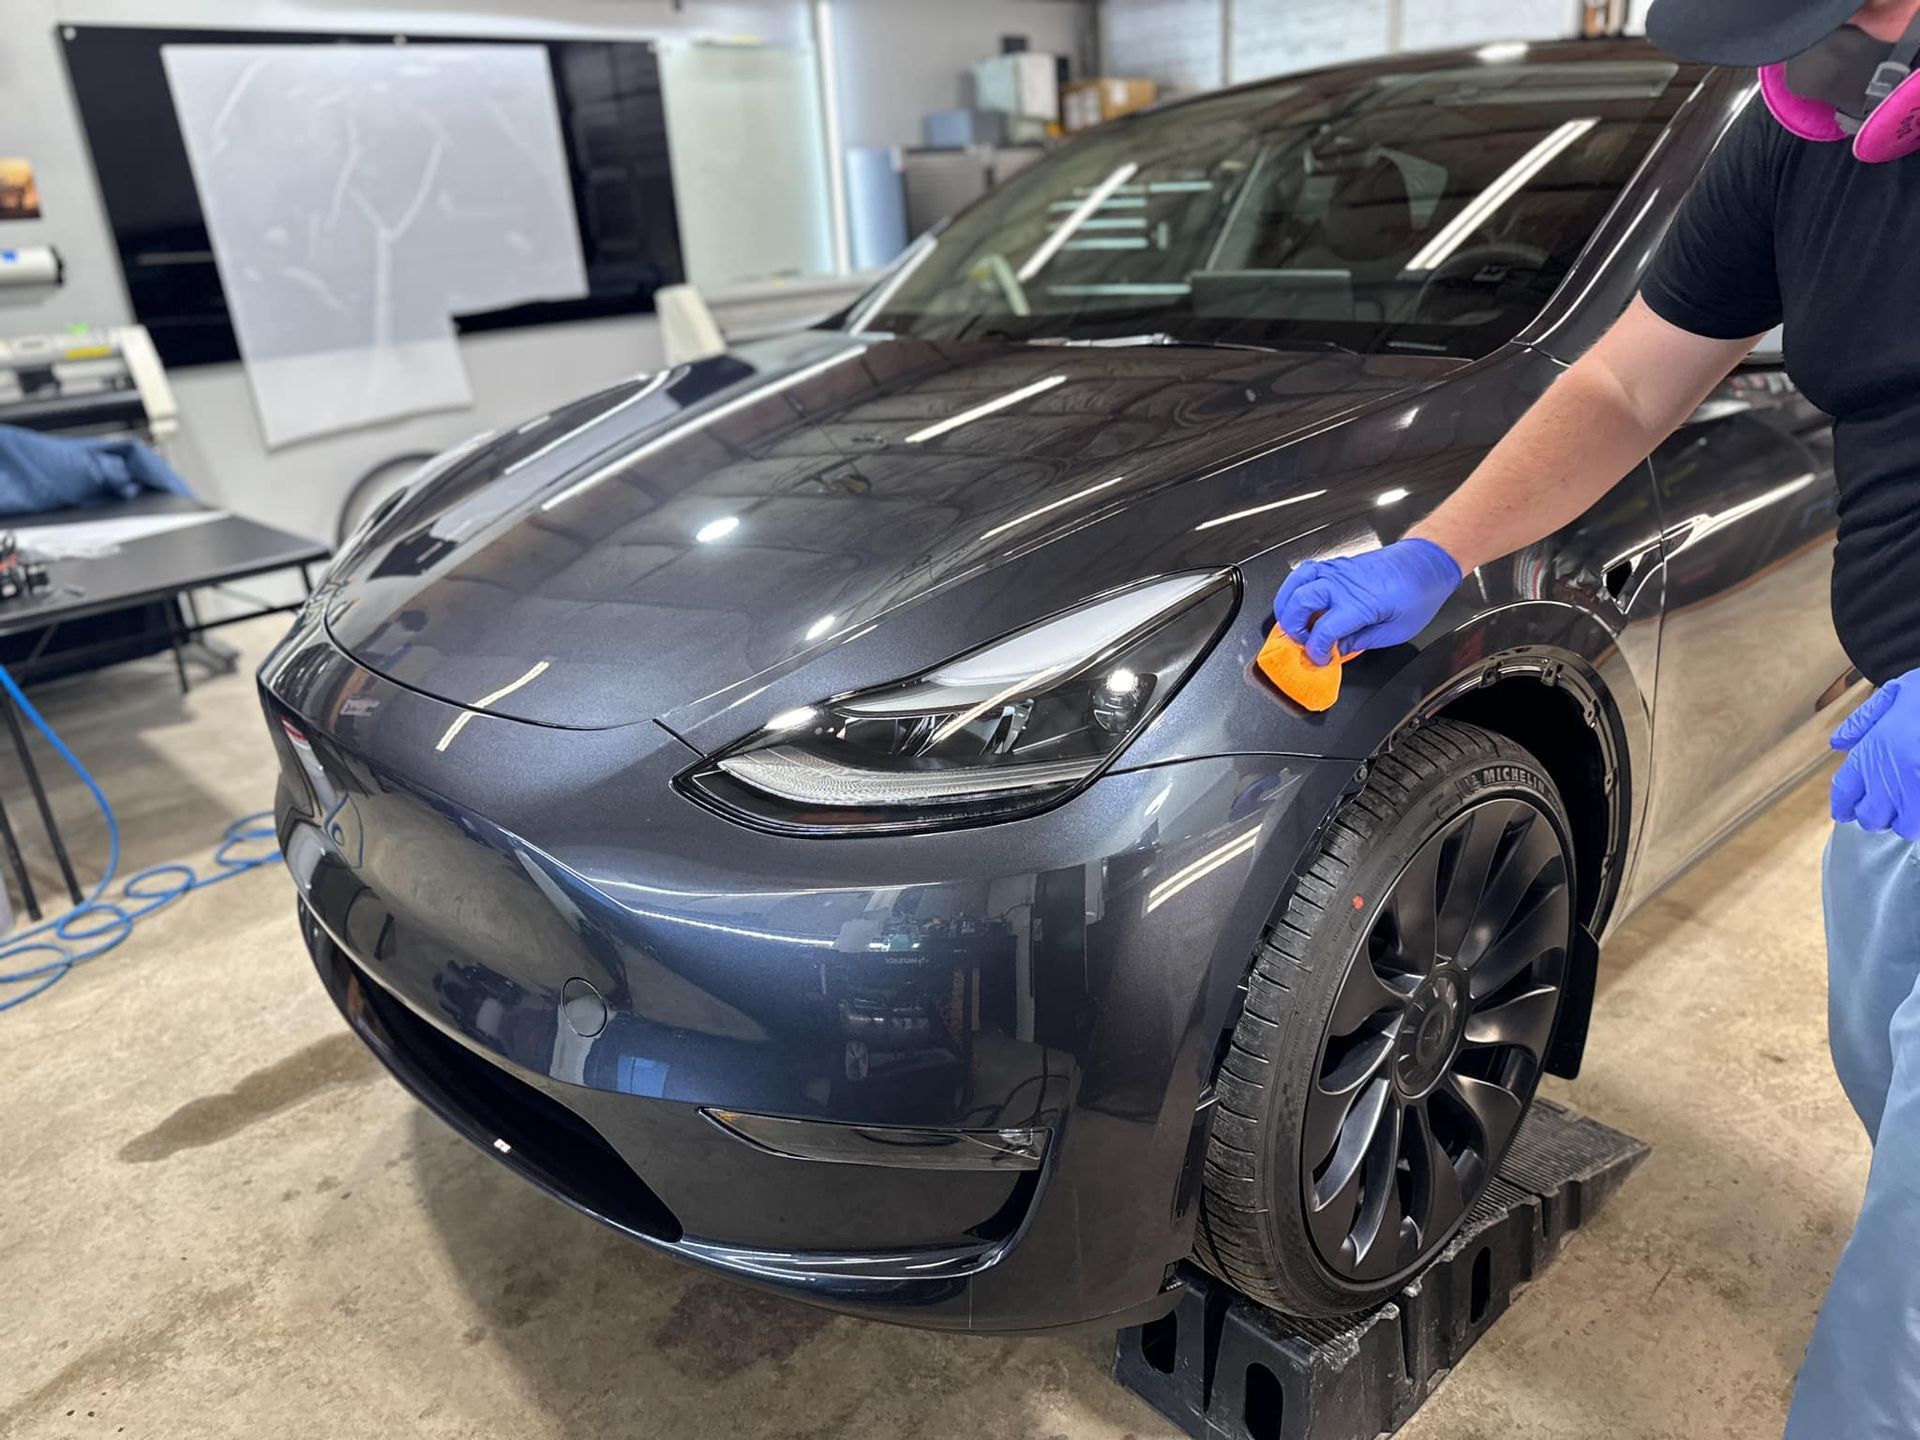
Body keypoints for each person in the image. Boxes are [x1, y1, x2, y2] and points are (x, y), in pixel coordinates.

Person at [1272, 1, 1920, 1434]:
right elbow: (1631, 377)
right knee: (1882, 1073)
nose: (1803, 54)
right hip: (1898, 750)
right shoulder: (1807, 126)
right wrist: (1436, 550)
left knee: (1907, 1325)